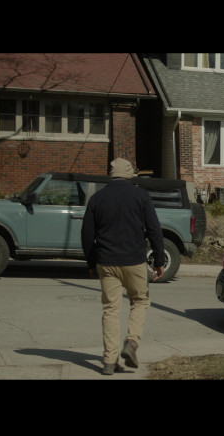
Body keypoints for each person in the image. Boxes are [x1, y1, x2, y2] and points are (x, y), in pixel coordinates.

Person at [81, 158, 166, 376]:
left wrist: (91, 262)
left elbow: (87, 235)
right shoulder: (141, 196)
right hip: (134, 261)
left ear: (111, 174)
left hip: (106, 262)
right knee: (139, 301)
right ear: (130, 175)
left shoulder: (97, 198)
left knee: (111, 309)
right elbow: (155, 229)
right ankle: (131, 341)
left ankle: (109, 361)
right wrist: (159, 260)